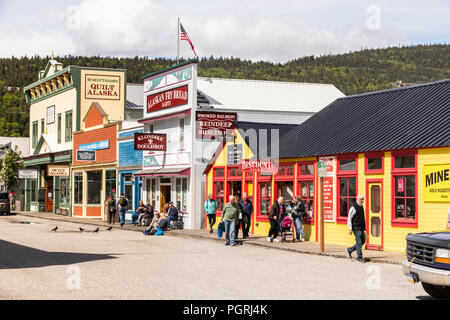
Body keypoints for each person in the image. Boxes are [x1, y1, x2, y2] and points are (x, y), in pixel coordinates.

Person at [346, 195, 366, 263]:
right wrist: (350, 228)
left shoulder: (361, 206)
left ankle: (350, 250)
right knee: (359, 242)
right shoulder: (353, 207)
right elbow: (349, 218)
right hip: (355, 227)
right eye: (361, 199)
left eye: (363, 199)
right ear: (357, 200)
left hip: (361, 227)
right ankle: (359, 257)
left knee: (363, 241)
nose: (362, 201)